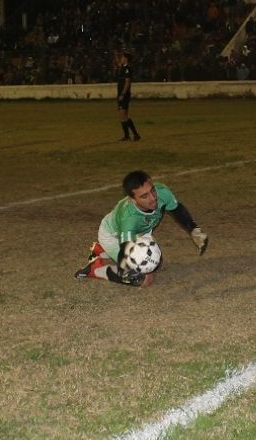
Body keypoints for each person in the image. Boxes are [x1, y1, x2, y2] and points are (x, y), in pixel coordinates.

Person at [74, 170, 209, 287]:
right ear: (132, 200)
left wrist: (193, 229)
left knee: (156, 262)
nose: (152, 198)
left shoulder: (162, 191)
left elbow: (176, 209)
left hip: (138, 233)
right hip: (112, 235)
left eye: (152, 191)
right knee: (142, 278)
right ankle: (95, 269)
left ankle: (103, 251)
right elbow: (126, 251)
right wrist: (127, 269)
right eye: (144, 196)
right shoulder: (129, 219)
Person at [115, 51, 141, 141]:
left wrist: (123, 94)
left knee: (124, 115)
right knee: (122, 115)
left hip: (124, 94)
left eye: (122, 57)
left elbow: (127, 82)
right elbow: (118, 63)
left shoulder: (127, 69)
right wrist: (115, 54)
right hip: (120, 93)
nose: (121, 59)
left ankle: (135, 134)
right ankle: (127, 135)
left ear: (126, 59)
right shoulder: (122, 67)